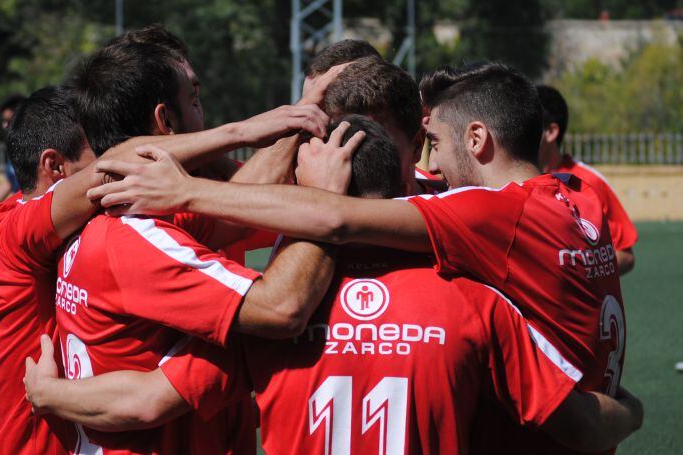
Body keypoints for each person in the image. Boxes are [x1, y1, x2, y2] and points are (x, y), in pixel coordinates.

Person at [88, 62, 629, 454]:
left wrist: (183, 190)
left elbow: (335, 219)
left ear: (478, 139)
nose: (433, 166)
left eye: (434, 143)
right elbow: (580, 421)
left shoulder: (488, 219)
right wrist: (630, 410)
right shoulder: (565, 215)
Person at [56, 32, 346, 454]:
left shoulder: (106, 214)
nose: (202, 112)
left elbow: (237, 205)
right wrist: (327, 197)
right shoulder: (135, 237)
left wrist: (302, 115)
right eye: (193, 99)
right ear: (165, 121)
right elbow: (281, 308)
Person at [0, 86, 99, 454]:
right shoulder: (22, 231)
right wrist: (235, 133)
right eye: (96, 147)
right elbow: (106, 174)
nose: (102, 154)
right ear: (54, 166)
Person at [537, 84, 638, 274]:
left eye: (527, 126)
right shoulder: (505, 178)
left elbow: (624, 254)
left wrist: (576, 275)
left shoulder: (589, 183)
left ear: (550, 132)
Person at [322, 55, 445, 195]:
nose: (346, 157)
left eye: (371, 144)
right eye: (341, 139)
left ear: (417, 146)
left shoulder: (450, 205)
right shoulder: (310, 189)